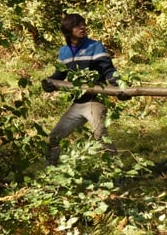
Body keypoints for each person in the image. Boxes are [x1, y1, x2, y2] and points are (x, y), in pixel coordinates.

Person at [41, 13, 120, 166]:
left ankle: (116, 172)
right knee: (55, 136)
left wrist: (118, 87)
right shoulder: (64, 51)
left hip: (94, 101)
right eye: (78, 25)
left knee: (100, 135)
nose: (83, 27)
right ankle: (50, 170)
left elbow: (108, 70)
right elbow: (59, 75)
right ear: (68, 30)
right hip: (77, 104)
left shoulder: (95, 47)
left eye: (83, 24)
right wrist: (49, 83)